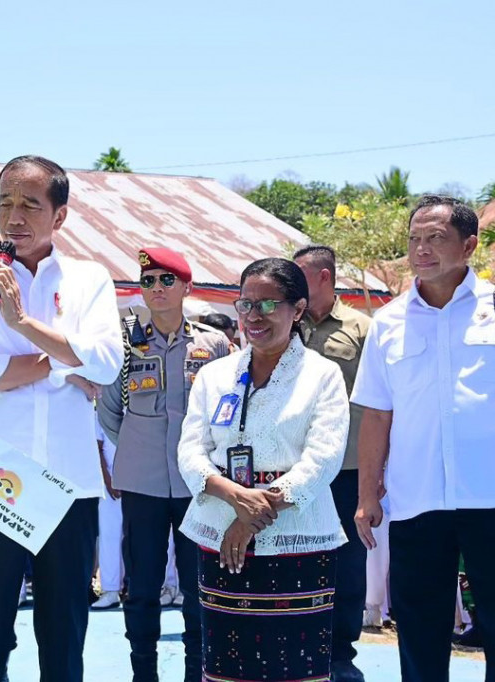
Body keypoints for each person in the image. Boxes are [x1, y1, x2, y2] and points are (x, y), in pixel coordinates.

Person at [351, 195, 495, 682]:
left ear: (469, 245)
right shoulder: (389, 321)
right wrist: (366, 494)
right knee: (419, 632)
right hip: (416, 500)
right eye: (414, 239)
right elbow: (376, 414)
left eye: (436, 238)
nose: (421, 249)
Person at [0, 155, 124, 682]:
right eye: (5, 203)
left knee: (63, 634)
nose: (14, 217)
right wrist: (57, 361)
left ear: (59, 215)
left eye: (30, 204)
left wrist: (22, 324)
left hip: (67, 482)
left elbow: (105, 364)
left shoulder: (89, 279)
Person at [178, 257, 350, 682]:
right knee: (226, 663)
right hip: (219, 530)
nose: (254, 316)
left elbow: (323, 459)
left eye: (269, 305)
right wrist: (234, 497)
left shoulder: (323, 375)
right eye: (246, 304)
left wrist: (251, 517)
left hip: (298, 537)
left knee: (295, 664)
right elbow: (190, 449)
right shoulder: (214, 375)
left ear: (298, 309)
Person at [97, 247, 230, 681]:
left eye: (167, 280)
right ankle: (144, 672)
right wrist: (139, 446)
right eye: (148, 281)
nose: (157, 288)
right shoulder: (125, 345)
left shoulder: (214, 344)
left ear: (186, 287)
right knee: (142, 586)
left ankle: (197, 673)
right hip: (143, 482)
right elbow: (110, 411)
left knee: (198, 586)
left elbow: (227, 409)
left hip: (199, 484)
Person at [293, 244, 371, 682]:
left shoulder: (361, 328)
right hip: (294, 467)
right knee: (298, 556)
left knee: (347, 563)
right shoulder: (288, 325)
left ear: (324, 277)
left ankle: (341, 653)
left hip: (348, 467)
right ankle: (300, 644)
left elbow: (379, 403)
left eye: (300, 276)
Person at [92, 420, 123, 610]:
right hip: (109, 485)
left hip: (140, 482)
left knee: (143, 539)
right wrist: (108, 479)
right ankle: (111, 590)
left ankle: (166, 587)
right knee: (109, 537)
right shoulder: (102, 411)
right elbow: (97, 447)